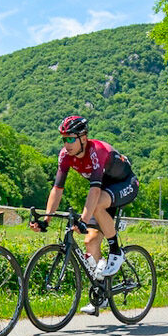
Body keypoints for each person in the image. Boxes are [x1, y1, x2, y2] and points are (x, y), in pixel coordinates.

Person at [37, 116, 140, 311]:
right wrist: (46, 219)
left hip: (125, 184)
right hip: (102, 192)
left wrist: (83, 219)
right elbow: (57, 189)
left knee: (98, 202)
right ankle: (101, 292)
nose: (66, 144)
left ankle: (115, 250)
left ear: (83, 138)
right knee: (90, 241)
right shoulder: (64, 156)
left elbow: (94, 191)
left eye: (70, 139)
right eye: (63, 139)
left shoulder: (97, 152)